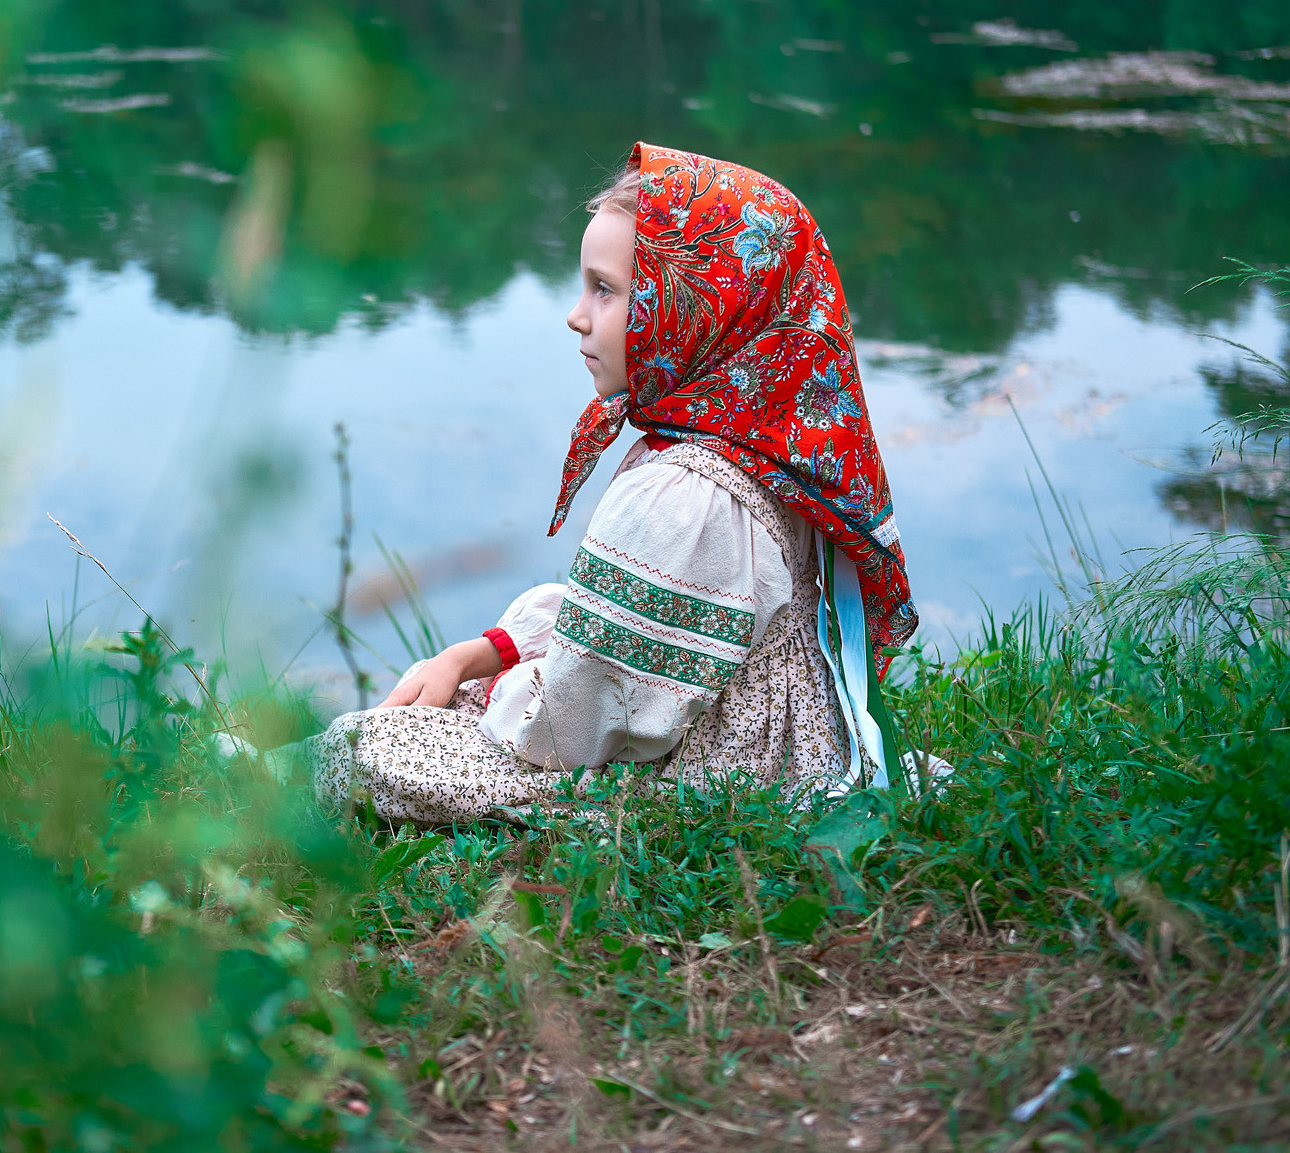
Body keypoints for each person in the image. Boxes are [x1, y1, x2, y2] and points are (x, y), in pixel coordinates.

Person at [290, 142, 920, 824]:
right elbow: (627, 625)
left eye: (606, 289)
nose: (577, 314)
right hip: (743, 727)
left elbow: (570, 725)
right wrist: (488, 652)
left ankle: (264, 777)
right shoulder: (759, 442)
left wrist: (503, 684)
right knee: (452, 695)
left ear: (693, 310)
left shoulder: (689, 496)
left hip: (719, 770)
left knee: (369, 748)